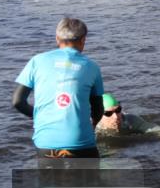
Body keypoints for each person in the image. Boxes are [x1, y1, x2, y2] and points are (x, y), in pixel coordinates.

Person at [12, 18, 104, 159]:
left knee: (49, 180)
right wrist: (94, 124)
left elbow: (18, 102)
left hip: (46, 144)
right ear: (83, 40)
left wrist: (38, 116)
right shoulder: (92, 67)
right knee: (90, 180)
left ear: (57, 38)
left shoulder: (37, 61)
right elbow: (98, 109)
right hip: (81, 144)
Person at [95, 93, 160, 140]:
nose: (116, 116)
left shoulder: (130, 120)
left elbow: (153, 128)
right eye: (108, 113)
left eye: (118, 110)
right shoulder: (90, 128)